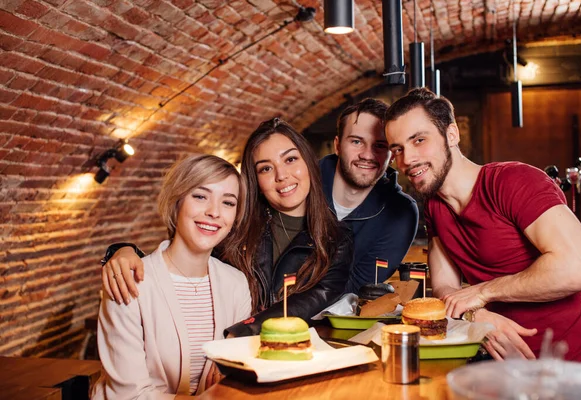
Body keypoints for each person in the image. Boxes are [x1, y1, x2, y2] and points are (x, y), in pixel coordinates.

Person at [385, 87, 581, 363]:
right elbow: (444, 287)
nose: (407, 159)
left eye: (419, 140)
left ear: (451, 135)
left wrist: (483, 292)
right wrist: (477, 316)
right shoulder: (435, 206)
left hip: (571, 368)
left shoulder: (513, 181)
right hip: (503, 372)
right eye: (397, 149)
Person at [100, 118, 353, 338]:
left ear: (308, 161)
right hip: (213, 356)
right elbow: (179, 262)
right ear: (255, 180)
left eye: (290, 159)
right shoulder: (233, 223)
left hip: (280, 354)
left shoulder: (336, 240)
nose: (281, 175)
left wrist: (242, 332)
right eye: (266, 168)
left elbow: (311, 302)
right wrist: (124, 251)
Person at [92, 155, 252, 399]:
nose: (214, 212)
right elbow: (129, 396)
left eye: (228, 203)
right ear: (177, 202)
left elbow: (235, 373)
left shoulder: (236, 283)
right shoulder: (128, 281)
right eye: (200, 196)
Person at [320, 98, 418, 293]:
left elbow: (358, 286)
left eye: (380, 145)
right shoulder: (301, 185)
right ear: (337, 146)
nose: (367, 155)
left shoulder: (401, 213)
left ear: (391, 154)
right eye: (356, 141)